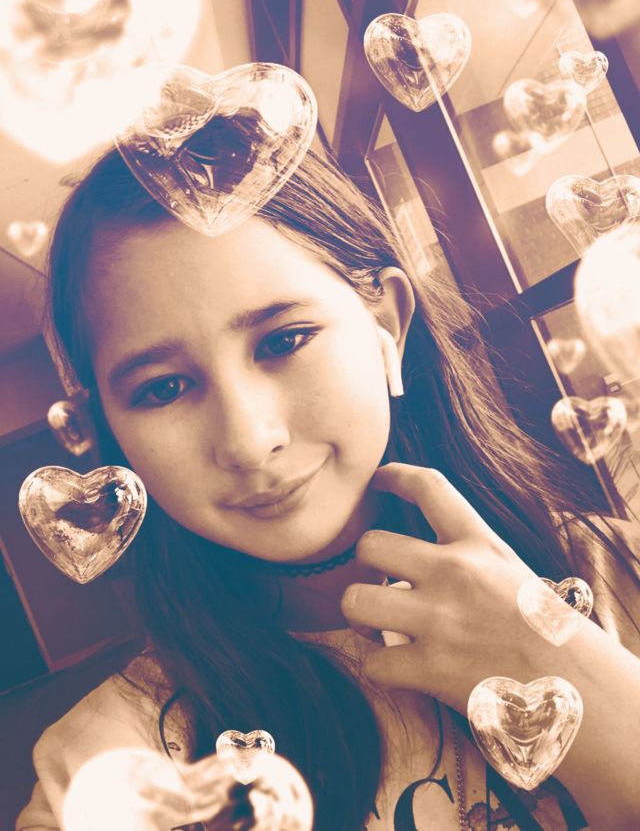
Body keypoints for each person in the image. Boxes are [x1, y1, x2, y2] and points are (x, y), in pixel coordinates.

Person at [16, 118, 640, 830]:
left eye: (284, 340)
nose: (250, 442)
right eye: (163, 388)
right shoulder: (103, 774)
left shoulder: (620, 569)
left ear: (388, 325)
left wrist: (573, 675)